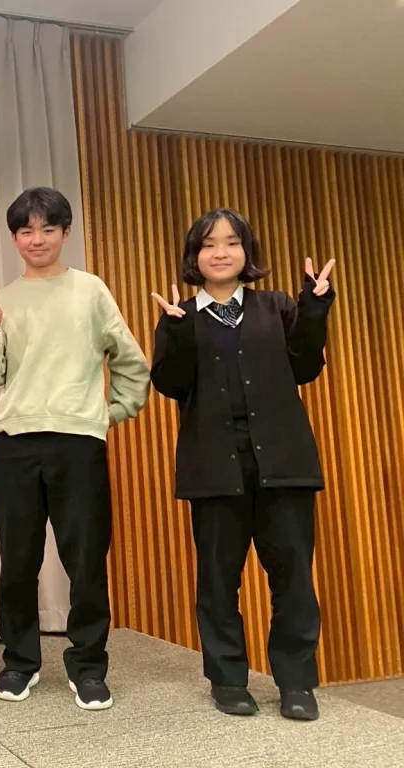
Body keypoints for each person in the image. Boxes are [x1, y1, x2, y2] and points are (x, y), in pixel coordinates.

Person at [149, 208, 335, 721]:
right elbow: (170, 384)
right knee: (217, 581)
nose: (221, 252)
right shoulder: (180, 315)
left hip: (283, 463)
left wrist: (314, 309)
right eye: (209, 244)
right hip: (214, 468)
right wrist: (176, 332)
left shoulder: (277, 307)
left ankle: (296, 683)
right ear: (195, 256)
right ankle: (228, 680)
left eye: (232, 242)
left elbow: (305, 367)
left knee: (293, 579)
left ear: (247, 252)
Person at [0, 186, 149, 709]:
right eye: (26, 230)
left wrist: (112, 411)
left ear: (66, 233)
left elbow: (131, 361)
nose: (37, 239)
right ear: (14, 238)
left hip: (77, 442)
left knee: (86, 561)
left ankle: (89, 665)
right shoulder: (1, 299)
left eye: (48, 228)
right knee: (17, 562)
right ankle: (19, 662)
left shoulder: (90, 290)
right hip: (14, 444)